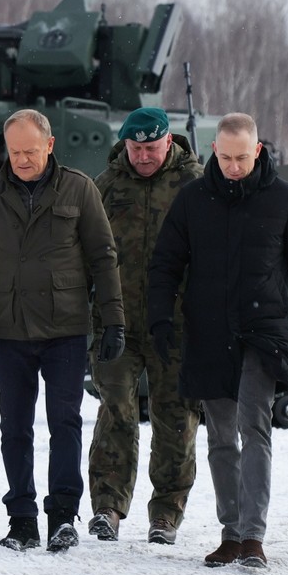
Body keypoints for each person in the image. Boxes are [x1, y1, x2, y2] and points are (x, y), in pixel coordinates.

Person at [148, 112, 288, 569]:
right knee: (221, 438)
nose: (232, 166)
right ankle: (230, 533)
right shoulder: (193, 200)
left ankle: (252, 536)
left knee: (255, 427)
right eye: (225, 157)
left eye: (241, 157)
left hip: (262, 334)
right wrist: (160, 321)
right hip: (208, 333)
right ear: (214, 152)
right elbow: (165, 263)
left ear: (257, 152)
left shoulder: (284, 200)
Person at [0, 108, 125, 553]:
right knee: (15, 426)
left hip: (66, 326)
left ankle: (64, 516)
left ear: (49, 145)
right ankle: (22, 518)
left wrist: (113, 320)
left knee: (65, 421)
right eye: (14, 152)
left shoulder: (79, 189)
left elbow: (104, 258)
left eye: (31, 151)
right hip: (9, 328)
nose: (23, 160)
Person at [85, 108, 203, 547]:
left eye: (151, 148)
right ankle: (108, 508)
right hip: (117, 323)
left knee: (176, 418)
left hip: (176, 326)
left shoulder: (195, 184)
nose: (144, 157)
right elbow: (86, 249)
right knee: (115, 412)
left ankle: (166, 513)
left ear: (168, 142)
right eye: (136, 149)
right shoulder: (108, 184)